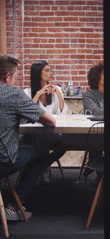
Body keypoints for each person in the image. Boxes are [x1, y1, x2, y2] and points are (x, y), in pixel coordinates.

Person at [0, 55, 62, 220]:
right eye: (15, 76)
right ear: (7, 76)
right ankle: (13, 206)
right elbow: (50, 121)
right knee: (40, 154)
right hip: (3, 160)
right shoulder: (14, 93)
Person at [23, 61, 69, 183]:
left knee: (63, 145)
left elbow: (63, 114)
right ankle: (40, 168)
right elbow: (28, 113)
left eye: (50, 70)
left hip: (50, 132)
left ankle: (40, 167)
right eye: (47, 70)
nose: (51, 73)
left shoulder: (56, 90)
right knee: (40, 141)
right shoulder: (27, 92)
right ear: (38, 73)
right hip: (32, 134)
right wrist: (38, 94)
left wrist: (59, 94)